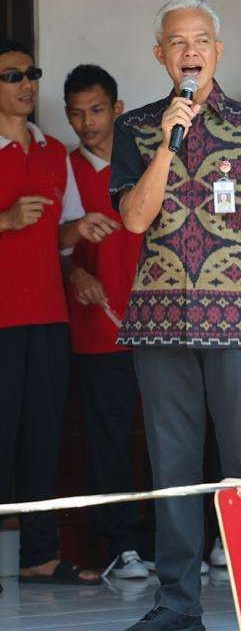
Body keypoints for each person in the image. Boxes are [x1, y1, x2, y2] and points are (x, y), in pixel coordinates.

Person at [111, 0, 241, 631]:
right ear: (160, 54)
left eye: (200, 40)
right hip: (160, 323)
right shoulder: (138, 126)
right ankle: (177, 604)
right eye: (176, 41)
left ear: (218, 51)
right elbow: (135, 218)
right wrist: (169, 143)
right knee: (172, 468)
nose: (189, 51)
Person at [0, 39, 114, 593]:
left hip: (48, 315)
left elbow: (61, 236)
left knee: (42, 438)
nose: (25, 84)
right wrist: (4, 219)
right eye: (12, 75)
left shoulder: (51, 153)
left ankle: (40, 556)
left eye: (31, 74)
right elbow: (16, 223)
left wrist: (81, 227)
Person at [63, 63, 150, 579]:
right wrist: (73, 270)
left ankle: (169, 544)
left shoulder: (145, 163)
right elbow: (50, 246)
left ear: (117, 110)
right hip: (99, 327)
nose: (86, 122)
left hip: (158, 324)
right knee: (110, 439)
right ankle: (121, 547)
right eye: (76, 113)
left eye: (96, 110)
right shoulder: (63, 168)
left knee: (166, 441)